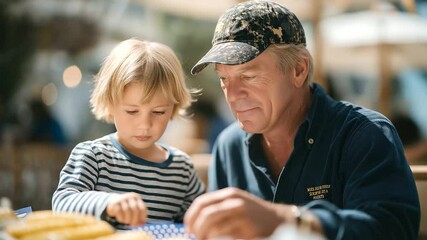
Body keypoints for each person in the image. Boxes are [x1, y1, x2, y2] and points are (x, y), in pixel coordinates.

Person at [183, 1, 420, 240]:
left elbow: (393, 230)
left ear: (299, 69)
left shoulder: (365, 134)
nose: (232, 95)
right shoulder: (229, 145)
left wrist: (284, 219)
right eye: (224, 79)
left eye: (249, 76)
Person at [52, 38, 205, 227]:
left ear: (173, 109)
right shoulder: (94, 156)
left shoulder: (182, 169)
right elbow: (62, 203)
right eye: (132, 111)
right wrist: (107, 203)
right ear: (110, 104)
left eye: (158, 112)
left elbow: (198, 222)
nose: (145, 124)